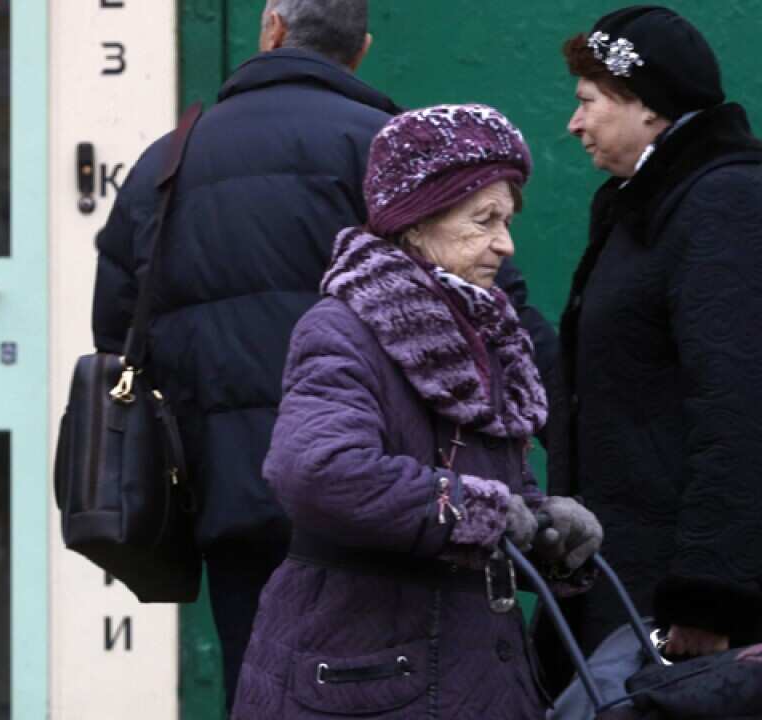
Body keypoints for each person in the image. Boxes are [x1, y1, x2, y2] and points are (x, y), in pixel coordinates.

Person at [91, 0, 558, 708]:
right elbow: (501, 317)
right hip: (397, 494)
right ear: (361, 49)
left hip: (228, 489)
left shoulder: (169, 159)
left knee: (267, 681)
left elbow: (116, 328)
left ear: (272, 27)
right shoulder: (388, 149)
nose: (500, 239)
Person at [231, 105, 602, 719]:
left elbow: (484, 485)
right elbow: (315, 470)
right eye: (483, 220)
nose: (505, 244)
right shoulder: (344, 329)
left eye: (507, 221)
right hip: (365, 678)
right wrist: (479, 512)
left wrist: (542, 525)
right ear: (418, 220)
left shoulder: (483, 328)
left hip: (464, 667)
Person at [542, 5, 762, 677]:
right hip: (623, 577)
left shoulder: (724, 203)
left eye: (588, 101)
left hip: (675, 602)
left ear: (645, 105)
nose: (574, 123)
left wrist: (708, 595)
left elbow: (739, 405)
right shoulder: (647, 201)